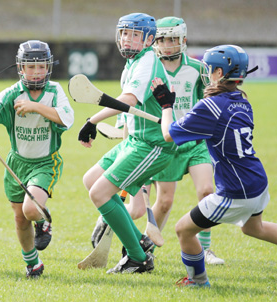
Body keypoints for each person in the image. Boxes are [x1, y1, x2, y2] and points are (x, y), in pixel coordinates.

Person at [92, 16, 225, 265]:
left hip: (193, 142)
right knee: (163, 202)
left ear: (183, 40)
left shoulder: (196, 69)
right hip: (165, 139)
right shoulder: (146, 65)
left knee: (207, 190)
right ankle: (145, 246)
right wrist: (123, 126)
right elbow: (132, 101)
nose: (167, 45)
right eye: (163, 39)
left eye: (173, 39)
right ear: (155, 41)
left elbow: (209, 100)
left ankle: (205, 249)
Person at [153, 44, 276, 287]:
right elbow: (220, 133)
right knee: (254, 228)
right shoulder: (242, 101)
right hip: (257, 181)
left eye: (210, 69)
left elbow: (168, 134)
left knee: (183, 230)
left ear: (220, 73)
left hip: (236, 191)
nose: (207, 74)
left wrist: (166, 105)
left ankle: (197, 281)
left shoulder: (210, 106)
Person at [0, 40, 74, 278]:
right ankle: (32, 263)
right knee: (20, 218)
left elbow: (67, 118)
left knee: (31, 210)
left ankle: (44, 221)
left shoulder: (55, 91)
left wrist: (35, 107)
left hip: (46, 163)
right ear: (20, 68)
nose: (36, 72)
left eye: (41, 66)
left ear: (49, 68)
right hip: (16, 163)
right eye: (30, 67)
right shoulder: (14, 92)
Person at [78, 13, 175, 274]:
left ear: (148, 39)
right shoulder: (134, 62)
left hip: (152, 145)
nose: (126, 39)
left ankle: (138, 258)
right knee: (91, 180)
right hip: (135, 140)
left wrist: (92, 120)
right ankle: (140, 241)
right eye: (123, 33)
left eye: (134, 34)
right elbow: (130, 108)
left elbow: (128, 100)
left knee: (99, 193)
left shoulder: (146, 62)